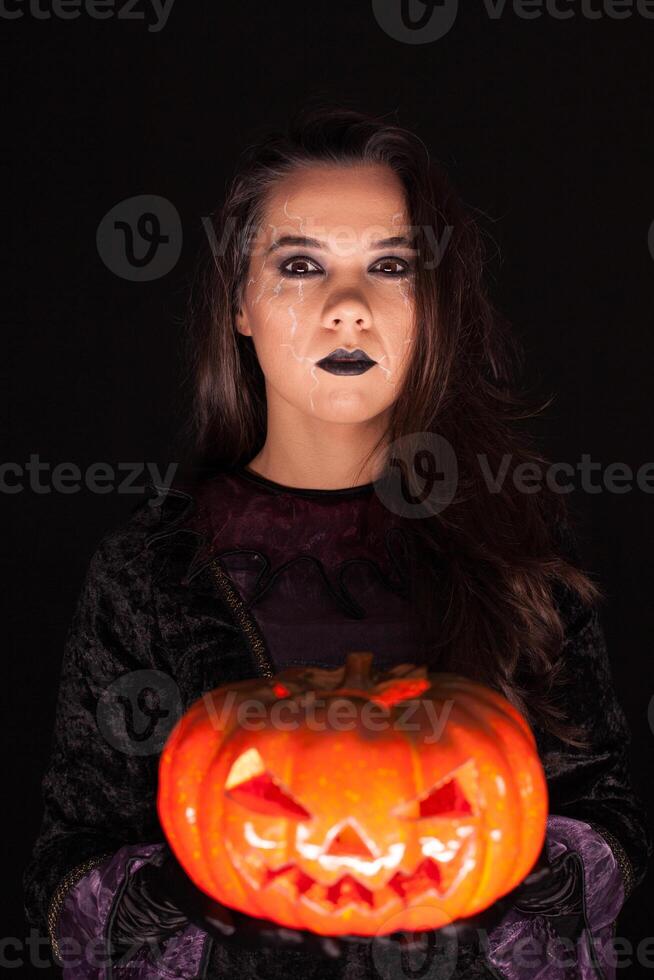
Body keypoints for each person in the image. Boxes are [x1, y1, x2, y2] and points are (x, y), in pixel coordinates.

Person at [23, 105, 650, 980]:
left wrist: (500, 912)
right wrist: (203, 917)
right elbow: (70, 875)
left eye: (389, 266)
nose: (347, 308)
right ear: (241, 303)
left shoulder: (518, 546)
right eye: (300, 266)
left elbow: (607, 821)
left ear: (432, 305)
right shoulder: (146, 569)